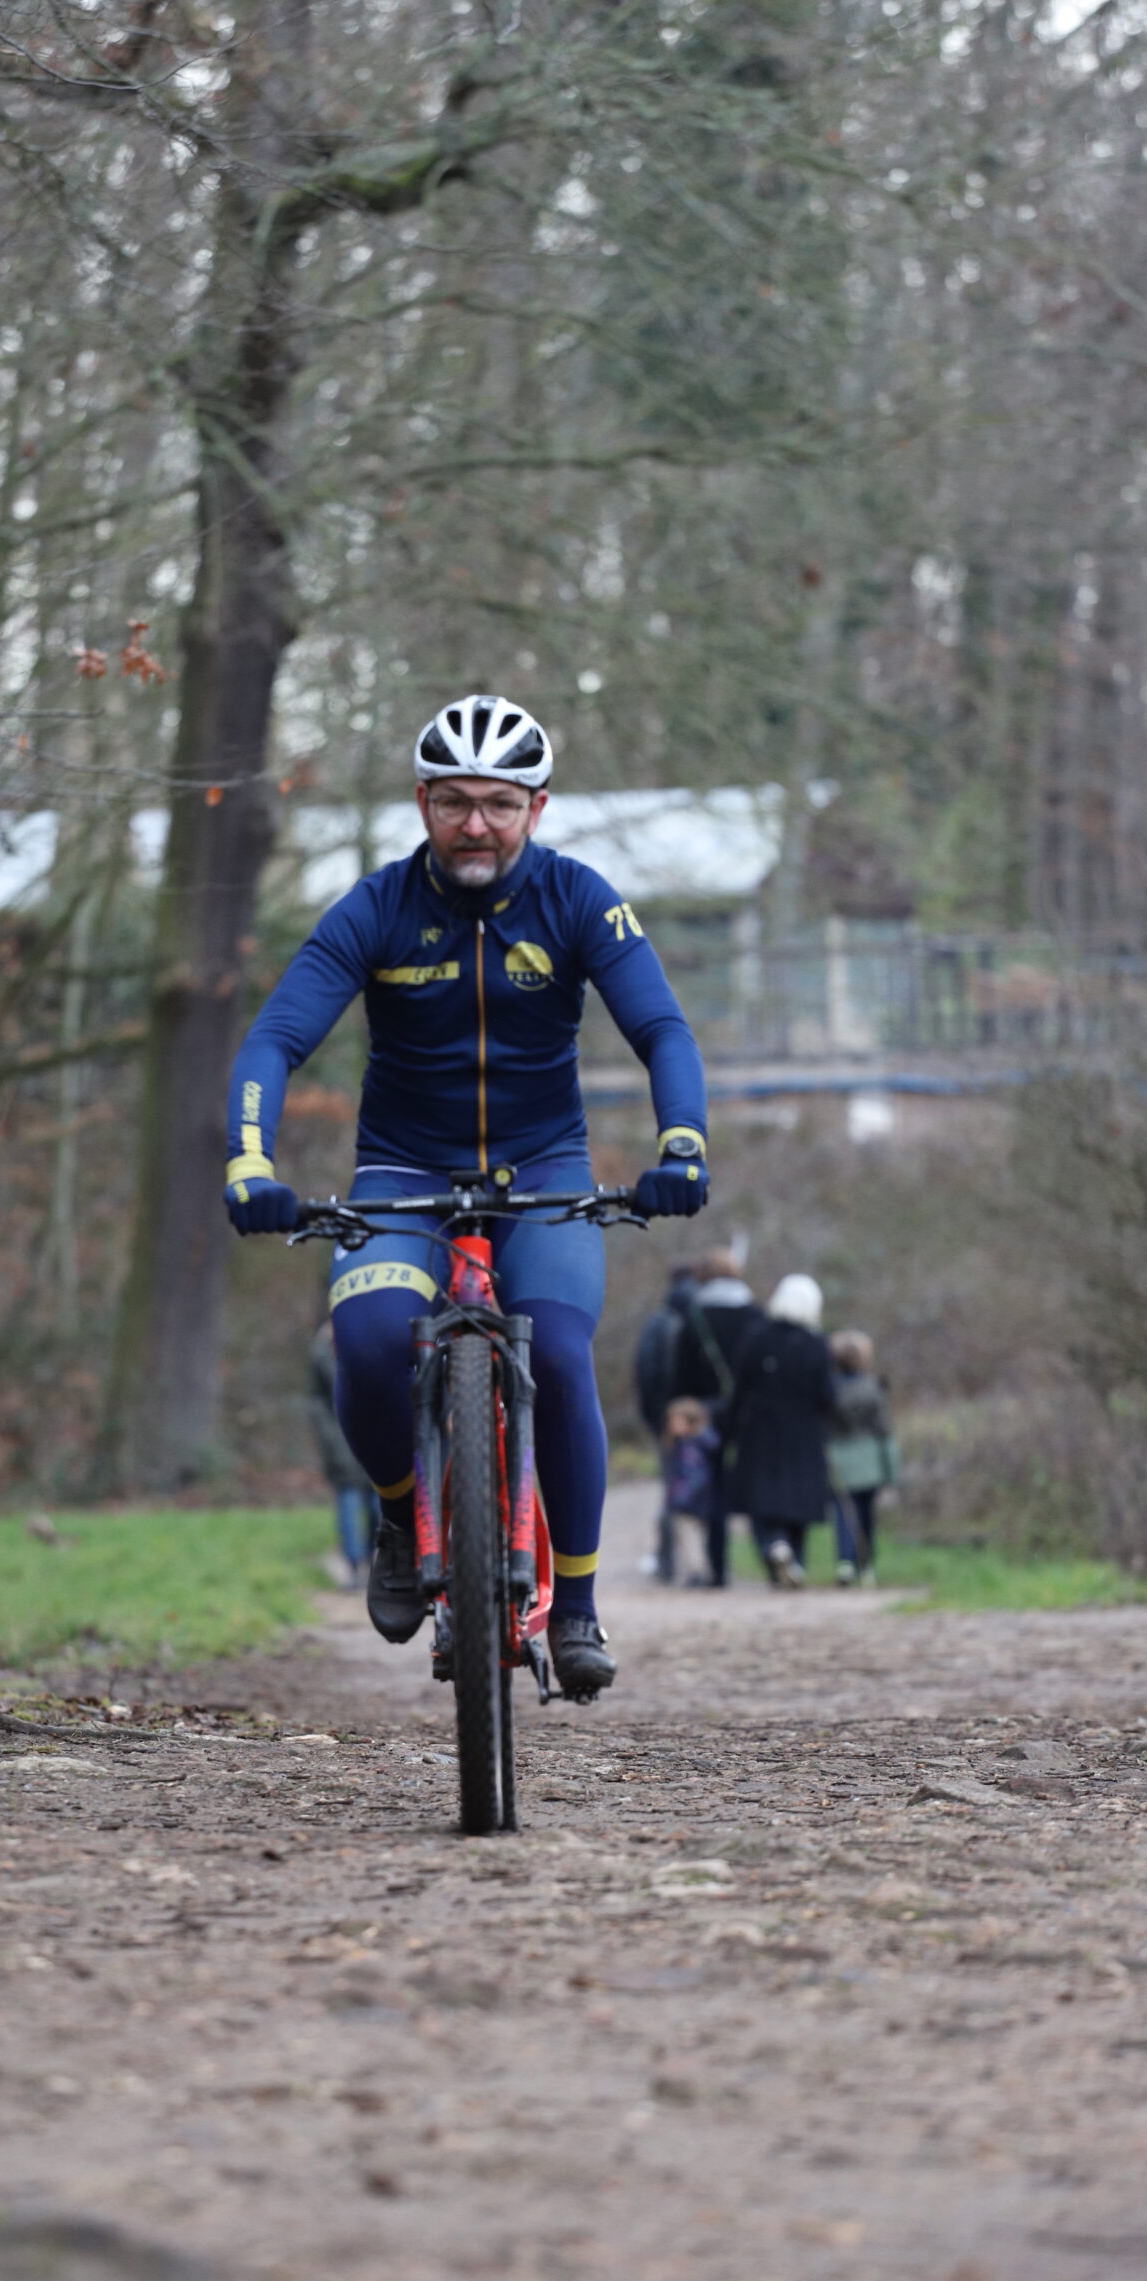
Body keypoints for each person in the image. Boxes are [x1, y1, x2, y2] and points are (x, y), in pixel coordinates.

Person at [222, 693, 709, 1699]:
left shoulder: (579, 900)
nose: (475, 824)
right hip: (402, 1171)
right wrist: (249, 1164)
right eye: (453, 802)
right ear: (421, 804)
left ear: (537, 807)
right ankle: (402, 1516)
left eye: (498, 803)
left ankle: (575, 1606)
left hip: (543, 1168)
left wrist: (681, 1145)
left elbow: (661, 1029)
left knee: (559, 1353)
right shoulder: (376, 907)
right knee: (366, 1339)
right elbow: (274, 1039)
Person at [721, 1271, 836, 1588]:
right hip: (804, 1434)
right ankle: (794, 1559)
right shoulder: (816, 1344)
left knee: (762, 1499)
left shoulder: (756, 1337)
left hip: (760, 1430)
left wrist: (728, 1430)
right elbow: (828, 1396)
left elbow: (739, 1388)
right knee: (798, 1500)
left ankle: (774, 1546)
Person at [670, 1247, 760, 1585]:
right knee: (744, 1485)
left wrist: (682, 1413)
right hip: (745, 1413)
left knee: (709, 1491)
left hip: (702, 1416)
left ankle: (716, 1567)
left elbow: (680, 1373)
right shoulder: (754, 1315)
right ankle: (767, 1552)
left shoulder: (695, 1317)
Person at [635, 1264, 695, 1582]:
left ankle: (668, 1563)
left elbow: (646, 1373)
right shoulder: (702, 1319)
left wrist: (656, 1419)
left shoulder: (659, 1323)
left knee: (673, 1488)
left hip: (668, 1419)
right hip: (703, 1417)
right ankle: (709, 1566)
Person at [309, 1315, 378, 1585]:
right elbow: (318, 1402)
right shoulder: (322, 1349)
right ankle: (355, 1565)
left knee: (376, 1504)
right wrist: (332, 1441)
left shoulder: (366, 1340)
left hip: (371, 1435)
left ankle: (372, 1560)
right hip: (343, 1439)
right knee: (351, 1501)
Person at [827, 1329, 899, 1585]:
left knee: (844, 1514)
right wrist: (891, 1474)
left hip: (838, 1460)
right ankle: (866, 1565)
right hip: (869, 1461)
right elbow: (884, 1431)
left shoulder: (829, 1389)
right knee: (866, 1515)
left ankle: (845, 1562)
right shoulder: (873, 1388)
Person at [660, 1396, 718, 1586]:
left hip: (689, 1502)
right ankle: (699, 1570)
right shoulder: (690, 1443)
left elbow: (694, 1476)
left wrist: (681, 1497)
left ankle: (697, 1572)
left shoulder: (690, 1447)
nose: (671, 1425)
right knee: (696, 1537)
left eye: (675, 1421)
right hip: (697, 1500)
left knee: (690, 1537)